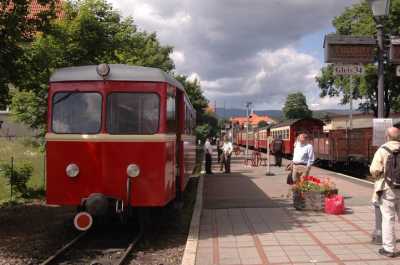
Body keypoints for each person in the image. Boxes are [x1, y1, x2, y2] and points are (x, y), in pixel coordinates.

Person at [370, 127, 400, 257]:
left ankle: (389, 249)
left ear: (387, 137)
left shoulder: (382, 150)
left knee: (388, 219)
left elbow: (374, 169)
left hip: (388, 188)